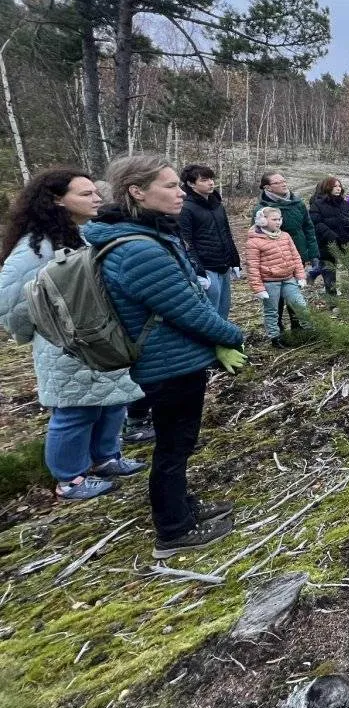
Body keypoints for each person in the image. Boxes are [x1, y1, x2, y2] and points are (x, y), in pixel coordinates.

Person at [84, 155, 246, 558]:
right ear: (137, 192)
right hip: (167, 363)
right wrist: (231, 334)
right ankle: (172, 530)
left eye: (179, 185)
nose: (180, 193)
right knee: (173, 447)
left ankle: (184, 507)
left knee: (179, 443)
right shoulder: (139, 249)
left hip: (177, 359)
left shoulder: (145, 235)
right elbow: (185, 308)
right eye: (170, 186)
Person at [0, 169, 147, 502]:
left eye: (95, 192)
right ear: (57, 200)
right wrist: (42, 331)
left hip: (103, 337)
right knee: (74, 411)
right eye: (85, 194)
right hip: (66, 346)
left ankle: (106, 458)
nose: (96, 198)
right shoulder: (36, 246)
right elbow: (9, 300)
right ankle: (70, 479)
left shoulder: (88, 234)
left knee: (112, 401)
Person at [255, 171, 319, 333]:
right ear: (268, 187)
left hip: (297, 255)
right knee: (276, 298)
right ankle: (278, 331)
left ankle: (297, 327)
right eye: (278, 182)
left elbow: (308, 228)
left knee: (294, 294)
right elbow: (257, 237)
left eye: (284, 180)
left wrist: (313, 253)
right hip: (273, 261)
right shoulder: (263, 210)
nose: (284, 184)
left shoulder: (297, 203)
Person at [177, 164, 241, 320]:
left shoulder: (217, 204)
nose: (211, 183)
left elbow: (227, 233)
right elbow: (186, 242)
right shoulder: (185, 207)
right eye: (204, 180)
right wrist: (198, 271)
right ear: (191, 184)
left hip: (223, 265)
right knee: (210, 312)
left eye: (212, 179)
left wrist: (235, 261)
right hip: (206, 268)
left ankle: (222, 343)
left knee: (224, 309)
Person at [247, 207, 313, 347]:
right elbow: (252, 266)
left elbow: (295, 256)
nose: (278, 222)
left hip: (288, 278)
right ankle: (275, 337)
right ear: (263, 221)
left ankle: (309, 331)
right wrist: (258, 288)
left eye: (279, 219)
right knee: (272, 311)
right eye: (274, 219)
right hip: (270, 282)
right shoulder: (254, 241)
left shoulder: (285, 236)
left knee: (300, 305)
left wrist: (300, 275)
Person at [308, 176, 349, 302]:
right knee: (329, 275)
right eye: (334, 186)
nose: (338, 189)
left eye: (339, 186)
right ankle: (333, 303)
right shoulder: (317, 205)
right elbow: (317, 224)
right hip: (328, 245)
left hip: (348, 243)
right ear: (328, 188)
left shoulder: (346, 204)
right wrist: (333, 237)